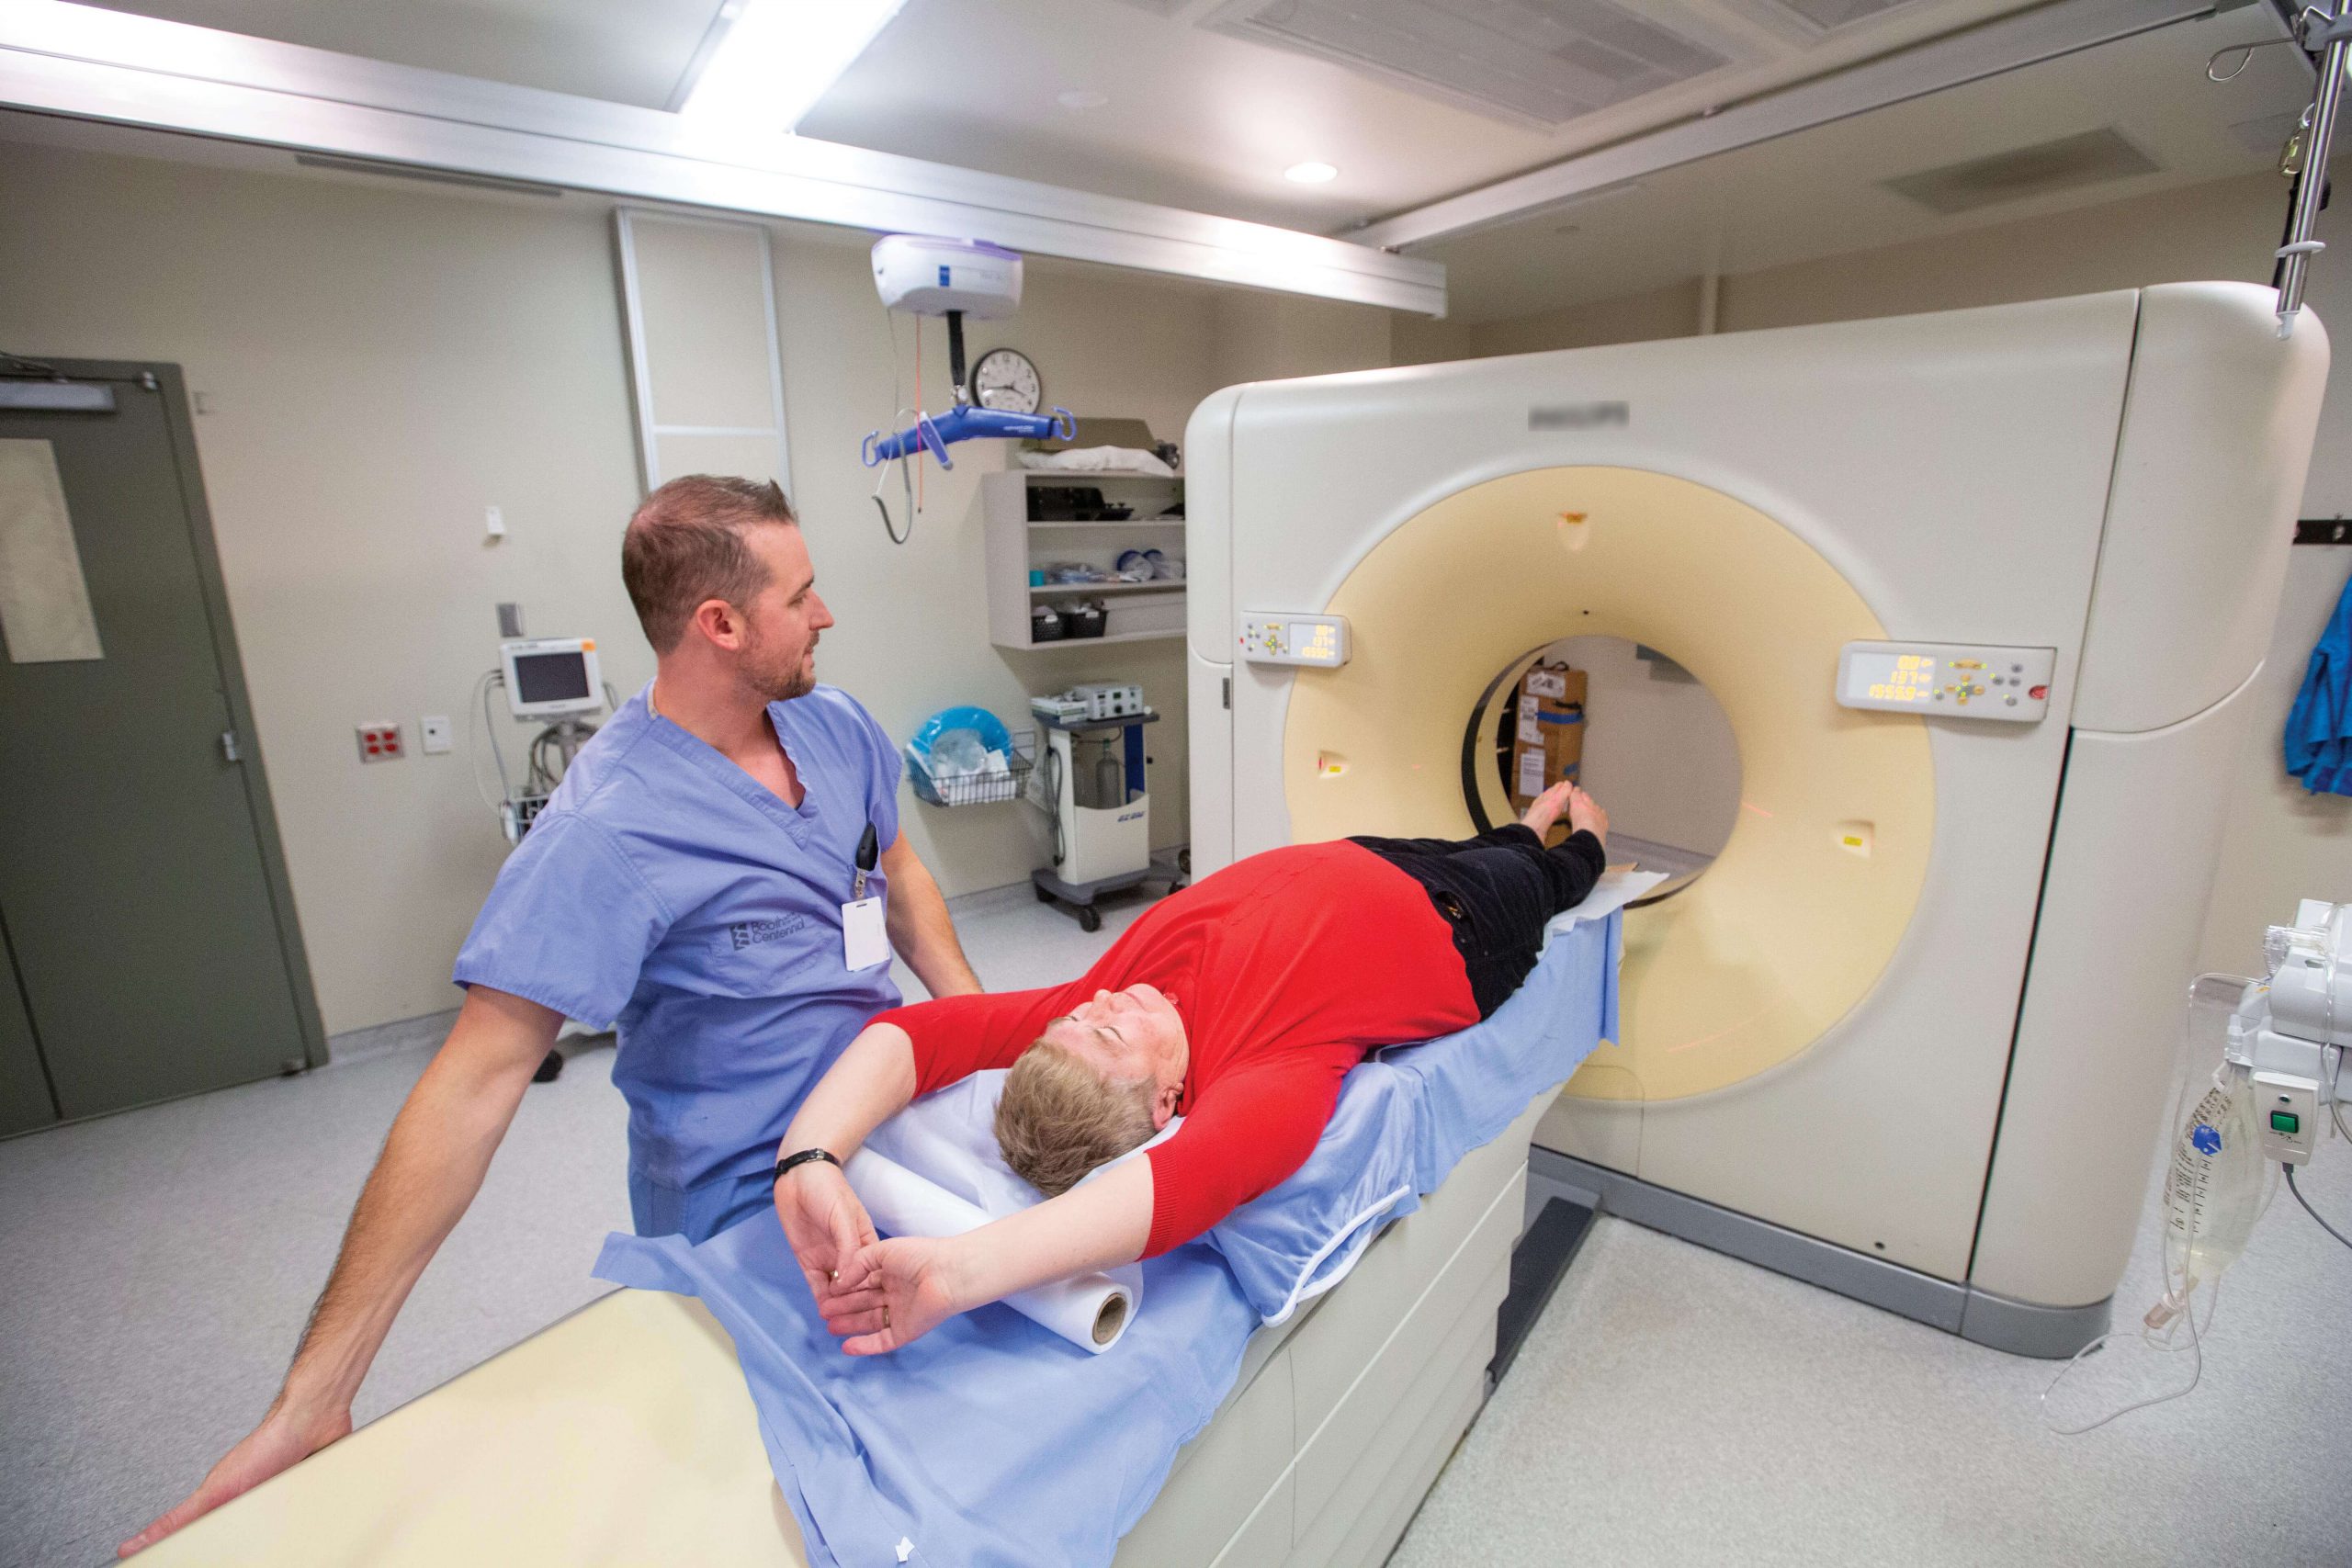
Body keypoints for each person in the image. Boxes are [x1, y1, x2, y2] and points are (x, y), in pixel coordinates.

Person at [121, 476, 980, 1556]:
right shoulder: (605, 832)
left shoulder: (835, 723)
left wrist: (982, 1040)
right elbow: (471, 1088)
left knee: (978, 1377)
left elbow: (896, 873)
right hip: (743, 1192)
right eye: (802, 595)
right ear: (718, 624)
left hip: (891, 1117)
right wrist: (314, 1392)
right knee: (769, 1492)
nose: (826, 614)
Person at [773, 780, 1609, 1356]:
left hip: (1370, 857)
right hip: (1470, 928)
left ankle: (1525, 827)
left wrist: (806, 1158)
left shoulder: (1097, 997)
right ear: (1166, 1097)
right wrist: (956, 1272)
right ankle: (1587, 840)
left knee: (1480, 841)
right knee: (1546, 872)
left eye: (1077, 1020)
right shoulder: (1264, 1077)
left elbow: (914, 1036)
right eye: (1105, 1035)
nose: (1097, 1006)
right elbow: (1173, 1190)